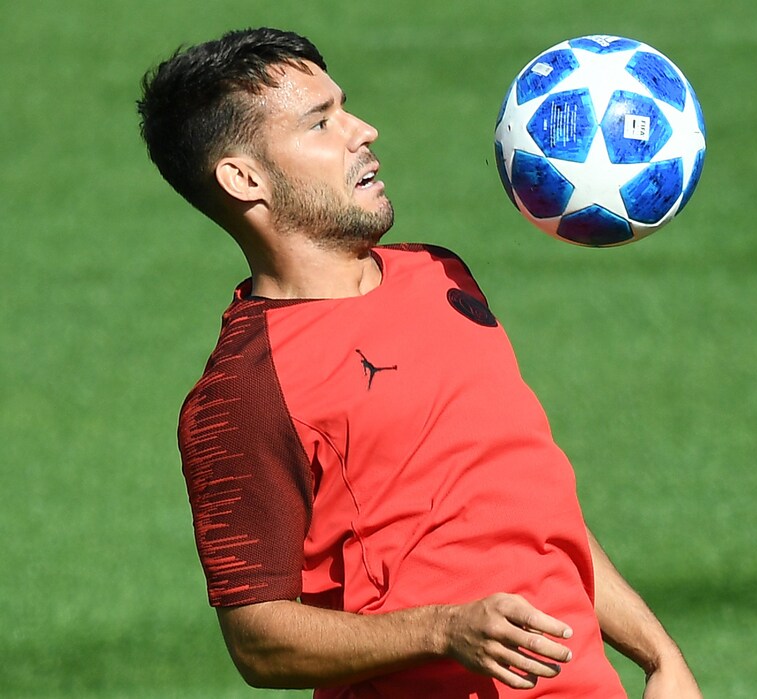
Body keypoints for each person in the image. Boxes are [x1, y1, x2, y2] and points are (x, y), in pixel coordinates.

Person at [137, 27, 702, 698]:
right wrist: (442, 629)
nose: (363, 131)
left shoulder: (439, 275)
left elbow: (534, 507)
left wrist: (659, 655)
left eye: (344, 107)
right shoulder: (245, 390)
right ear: (243, 178)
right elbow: (258, 640)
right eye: (321, 122)